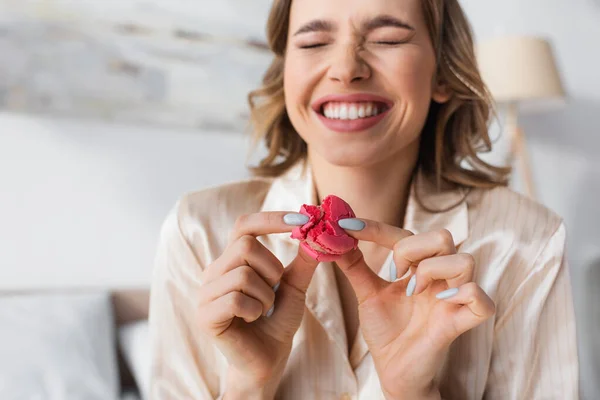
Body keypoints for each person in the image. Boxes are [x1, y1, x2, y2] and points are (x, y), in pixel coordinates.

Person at [148, 0, 579, 398]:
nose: (345, 68)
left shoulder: (527, 243)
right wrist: (249, 382)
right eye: (314, 42)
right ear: (286, 72)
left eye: (388, 39)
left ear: (443, 74)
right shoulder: (197, 232)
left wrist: (414, 392)